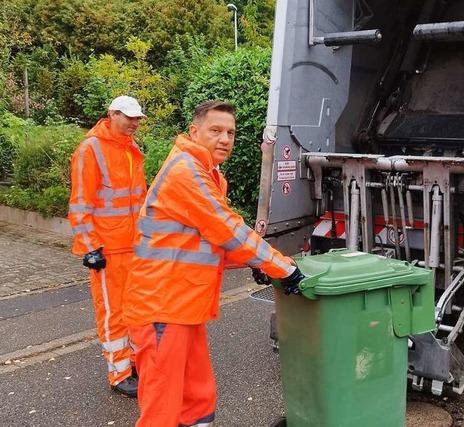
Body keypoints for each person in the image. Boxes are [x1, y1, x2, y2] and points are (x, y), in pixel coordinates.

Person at [123, 100, 304, 427]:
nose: (225, 139)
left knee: (198, 399)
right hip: (161, 308)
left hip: (181, 306)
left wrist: (256, 263)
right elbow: (229, 229)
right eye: (216, 130)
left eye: (231, 133)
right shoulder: (186, 172)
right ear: (195, 131)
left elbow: (208, 240)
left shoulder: (206, 173)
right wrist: (282, 267)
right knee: (162, 411)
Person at [68, 95, 147, 397]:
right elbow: (80, 203)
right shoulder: (91, 150)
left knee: (137, 311)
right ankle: (119, 373)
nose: (134, 123)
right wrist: (90, 247)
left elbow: (139, 199)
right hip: (108, 250)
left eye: (138, 118)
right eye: (128, 117)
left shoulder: (132, 150)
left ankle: (135, 363)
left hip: (134, 247)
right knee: (113, 312)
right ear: (111, 114)